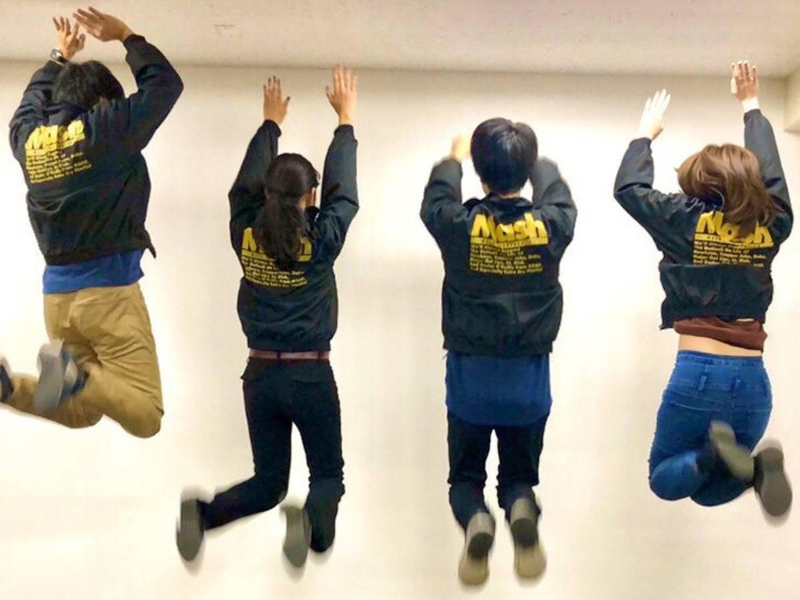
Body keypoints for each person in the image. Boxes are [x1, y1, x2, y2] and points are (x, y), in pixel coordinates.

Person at [176, 68, 359, 569]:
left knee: (269, 482)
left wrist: (270, 125)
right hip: (310, 374)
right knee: (327, 478)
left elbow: (240, 191)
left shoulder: (245, 233)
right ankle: (313, 531)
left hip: (259, 375)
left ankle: (202, 514)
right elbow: (345, 197)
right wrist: (344, 121)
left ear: (266, 194)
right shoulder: (319, 241)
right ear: (310, 198)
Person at [614, 62, 793, 520]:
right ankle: (749, 470)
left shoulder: (682, 219)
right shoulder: (770, 222)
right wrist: (751, 107)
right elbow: (773, 179)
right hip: (752, 380)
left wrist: (645, 135)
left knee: (665, 479)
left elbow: (630, 188)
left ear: (697, 184)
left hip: (699, 374)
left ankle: (725, 459)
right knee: (708, 493)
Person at [0, 8, 183, 438]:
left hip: (58, 300)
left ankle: (8, 387)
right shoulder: (106, 129)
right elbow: (165, 85)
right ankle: (78, 376)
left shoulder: (28, 139)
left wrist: (58, 58)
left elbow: (29, 105)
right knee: (146, 416)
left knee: (79, 413)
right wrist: (125, 35)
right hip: (108, 296)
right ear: (103, 102)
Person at [421, 119, 577, 585]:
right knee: (518, 479)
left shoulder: (458, 226)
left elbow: (436, 201)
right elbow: (555, 190)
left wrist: (452, 159)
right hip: (528, 387)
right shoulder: (553, 225)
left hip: (470, 386)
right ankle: (521, 507)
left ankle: (476, 519)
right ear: (526, 174)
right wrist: (533, 161)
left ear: (479, 173)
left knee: (465, 480)